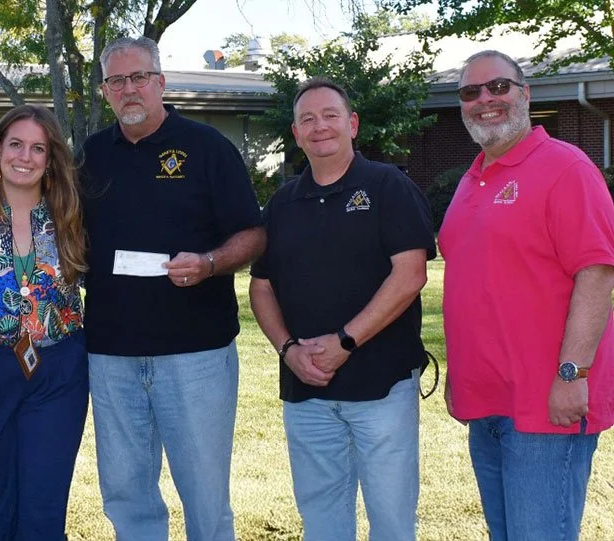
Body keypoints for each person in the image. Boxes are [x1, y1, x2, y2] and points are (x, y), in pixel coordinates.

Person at [79, 36, 265, 541]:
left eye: (139, 77)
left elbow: (251, 233)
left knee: (205, 496)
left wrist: (209, 262)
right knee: (126, 494)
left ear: (161, 82)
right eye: (117, 81)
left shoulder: (208, 148)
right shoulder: (92, 154)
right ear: (105, 91)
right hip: (111, 354)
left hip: (196, 354)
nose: (129, 89)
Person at [249, 77, 436, 541]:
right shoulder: (282, 203)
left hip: (381, 388)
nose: (319, 127)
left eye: (330, 115)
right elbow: (262, 287)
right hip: (307, 391)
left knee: (391, 520)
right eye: (307, 119)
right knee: (322, 521)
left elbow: (410, 273)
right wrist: (287, 349)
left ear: (352, 124)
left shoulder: (388, 185)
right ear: (295, 134)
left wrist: (345, 341)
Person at [441, 50, 614, 541]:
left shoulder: (564, 167)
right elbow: (474, 283)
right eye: (471, 92)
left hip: (547, 403)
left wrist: (572, 374)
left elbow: (597, 273)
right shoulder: (471, 180)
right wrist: (461, 374)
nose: (485, 100)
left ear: (525, 94)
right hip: (490, 402)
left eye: (498, 87)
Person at [0, 104, 88, 540]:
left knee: (43, 510)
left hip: (59, 370)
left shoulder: (71, 214)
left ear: (50, 159)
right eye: (15, 144)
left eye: (37, 148)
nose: (24, 156)